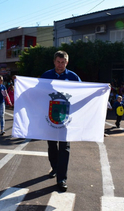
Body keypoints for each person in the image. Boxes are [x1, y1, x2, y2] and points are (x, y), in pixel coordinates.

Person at [40, 50, 81, 192]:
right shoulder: (46, 76)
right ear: (54, 62)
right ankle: (55, 167)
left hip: (66, 119)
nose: (60, 65)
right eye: (58, 62)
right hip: (50, 118)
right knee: (52, 146)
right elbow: (35, 91)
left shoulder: (73, 77)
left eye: (63, 62)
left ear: (67, 63)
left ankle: (62, 178)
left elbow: (83, 92)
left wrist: (102, 90)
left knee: (64, 148)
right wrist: (19, 81)